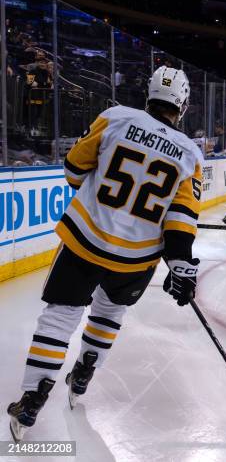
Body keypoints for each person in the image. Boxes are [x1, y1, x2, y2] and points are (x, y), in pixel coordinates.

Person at [7, 66, 204, 442]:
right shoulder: (189, 152)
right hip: (136, 259)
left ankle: (33, 397)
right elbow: (181, 215)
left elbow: (74, 169)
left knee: (61, 317)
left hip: (87, 240)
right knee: (109, 312)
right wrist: (181, 262)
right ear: (183, 103)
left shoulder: (114, 117)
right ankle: (84, 372)